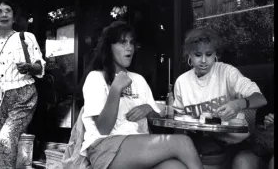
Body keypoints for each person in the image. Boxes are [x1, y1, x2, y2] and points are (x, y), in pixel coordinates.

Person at [80, 21, 204, 169]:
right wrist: (115, 89)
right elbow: (103, 129)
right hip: (105, 147)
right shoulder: (96, 77)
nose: (129, 48)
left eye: (131, 43)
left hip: (137, 143)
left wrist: (148, 108)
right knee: (183, 142)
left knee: (175, 166)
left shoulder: (138, 79)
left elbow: (157, 119)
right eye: (122, 42)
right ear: (109, 47)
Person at [173, 27, 267, 168]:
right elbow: (178, 122)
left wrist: (238, 104)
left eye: (209, 54)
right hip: (202, 146)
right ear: (189, 55)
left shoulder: (226, 72)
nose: (204, 60)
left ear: (215, 54)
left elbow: (260, 99)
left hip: (237, 144)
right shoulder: (182, 82)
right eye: (198, 55)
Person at [0, 0, 46, 169]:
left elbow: (40, 66)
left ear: (13, 17)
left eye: (7, 11)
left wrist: (30, 67)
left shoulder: (25, 37)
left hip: (23, 94)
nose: (4, 14)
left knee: (6, 137)